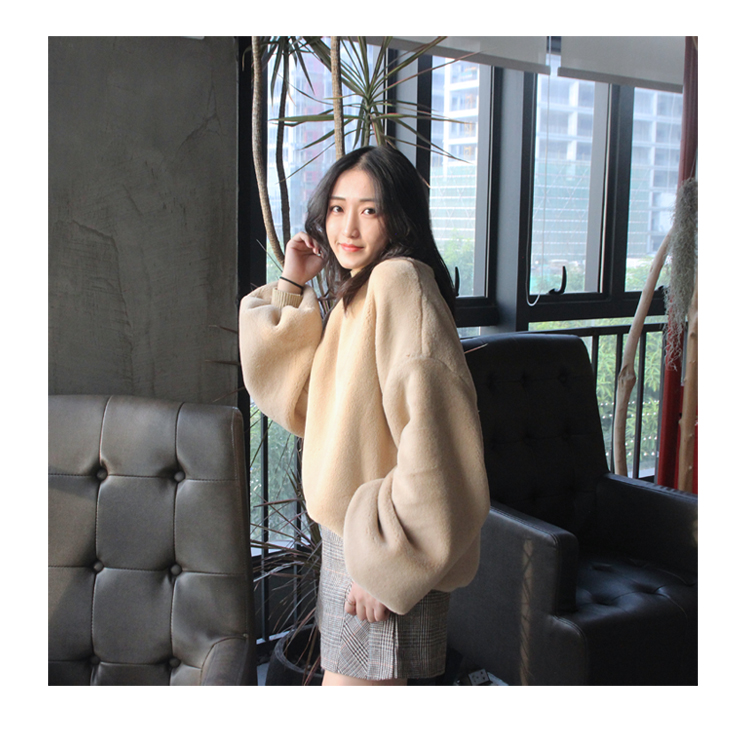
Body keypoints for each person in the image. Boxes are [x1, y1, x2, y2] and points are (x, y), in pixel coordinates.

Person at [239, 144, 490, 686]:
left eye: (369, 210)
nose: (347, 227)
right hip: (356, 544)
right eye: (336, 208)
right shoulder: (365, 288)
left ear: (399, 217)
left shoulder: (399, 281)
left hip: (385, 545)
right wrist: (292, 284)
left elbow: (435, 439)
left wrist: (388, 564)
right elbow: (309, 403)